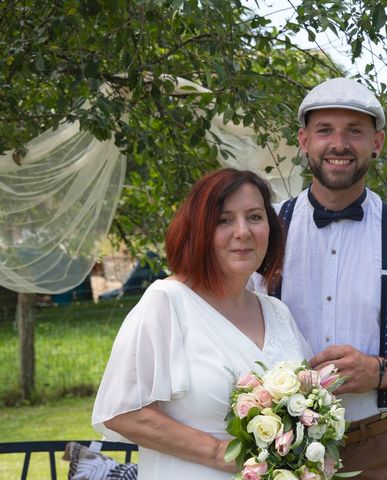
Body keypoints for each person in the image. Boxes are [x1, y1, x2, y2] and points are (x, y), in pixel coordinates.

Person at [254, 78, 387, 479]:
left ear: (377, 143)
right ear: (303, 141)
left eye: (354, 131)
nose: (339, 144)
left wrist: (378, 371)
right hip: (277, 447)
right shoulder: (260, 233)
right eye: (325, 131)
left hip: (379, 447)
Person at [92, 169, 311, 480]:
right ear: (199, 230)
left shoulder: (277, 312)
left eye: (254, 217)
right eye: (224, 220)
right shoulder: (167, 302)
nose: (242, 231)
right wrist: (221, 454)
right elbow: (123, 413)